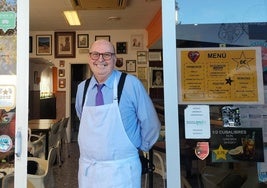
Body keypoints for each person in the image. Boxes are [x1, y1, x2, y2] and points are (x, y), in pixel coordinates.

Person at [75, 39, 160, 188]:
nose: (100, 59)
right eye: (95, 54)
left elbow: (151, 123)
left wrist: (141, 147)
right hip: (89, 172)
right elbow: (82, 118)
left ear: (114, 59)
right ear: (89, 59)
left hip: (122, 170)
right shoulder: (82, 88)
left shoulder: (131, 84)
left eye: (107, 55)